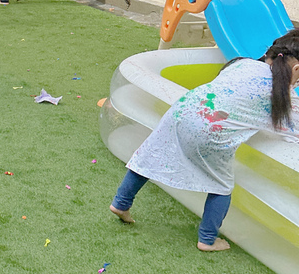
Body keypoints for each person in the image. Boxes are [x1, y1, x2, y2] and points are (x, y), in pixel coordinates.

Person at [110, 31, 299, 251]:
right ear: (296, 69)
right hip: (210, 131)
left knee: (150, 155)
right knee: (221, 185)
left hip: (182, 112)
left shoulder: (242, 64)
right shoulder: (286, 97)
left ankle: (120, 203)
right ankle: (207, 239)